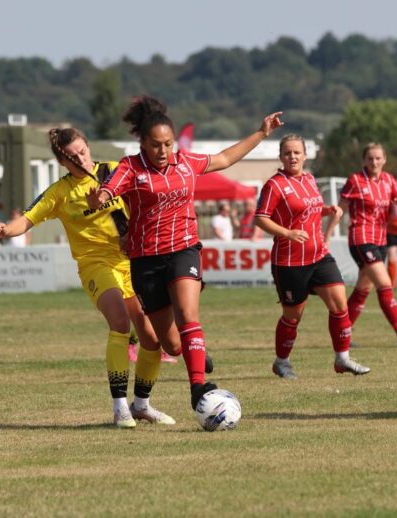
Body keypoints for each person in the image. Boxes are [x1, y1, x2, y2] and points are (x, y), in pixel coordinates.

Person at [88, 95, 284, 411]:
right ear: (142, 143)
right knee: (172, 344)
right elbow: (108, 190)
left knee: (188, 316)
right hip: (145, 262)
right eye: (155, 145)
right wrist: (100, 198)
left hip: (183, 251)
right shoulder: (130, 167)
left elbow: (225, 158)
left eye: (168, 144)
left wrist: (261, 133)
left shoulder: (187, 163)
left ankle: (197, 388)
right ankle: (195, 351)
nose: (163, 151)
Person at [0, 127, 177, 429]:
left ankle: (141, 405)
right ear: (63, 163)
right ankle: (120, 409)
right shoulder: (60, 192)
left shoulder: (115, 171)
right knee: (119, 322)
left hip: (131, 263)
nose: (81, 158)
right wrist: (5, 229)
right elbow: (27, 218)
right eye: (74, 157)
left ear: (88, 147)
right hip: (95, 266)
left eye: (83, 151)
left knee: (152, 338)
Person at [255, 134, 370, 379]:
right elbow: (261, 218)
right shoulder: (274, 185)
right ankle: (282, 362)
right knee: (293, 316)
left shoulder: (309, 179)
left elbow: (313, 210)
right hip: (289, 262)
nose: (292, 156)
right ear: (281, 157)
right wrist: (287, 232)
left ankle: (343, 359)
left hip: (319, 255)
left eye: (297, 152)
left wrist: (328, 210)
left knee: (340, 304)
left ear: (305, 156)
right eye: (287, 153)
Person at [324, 143, 397, 348]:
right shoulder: (355, 180)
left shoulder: (388, 180)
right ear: (364, 161)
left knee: (363, 289)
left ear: (384, 159)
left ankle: (343, 333)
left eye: (378, 158)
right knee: (385, 284)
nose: (374, 162)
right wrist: (326, 236)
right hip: (361, 239)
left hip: (380, 240)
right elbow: (340, 210)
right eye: (370, 158)